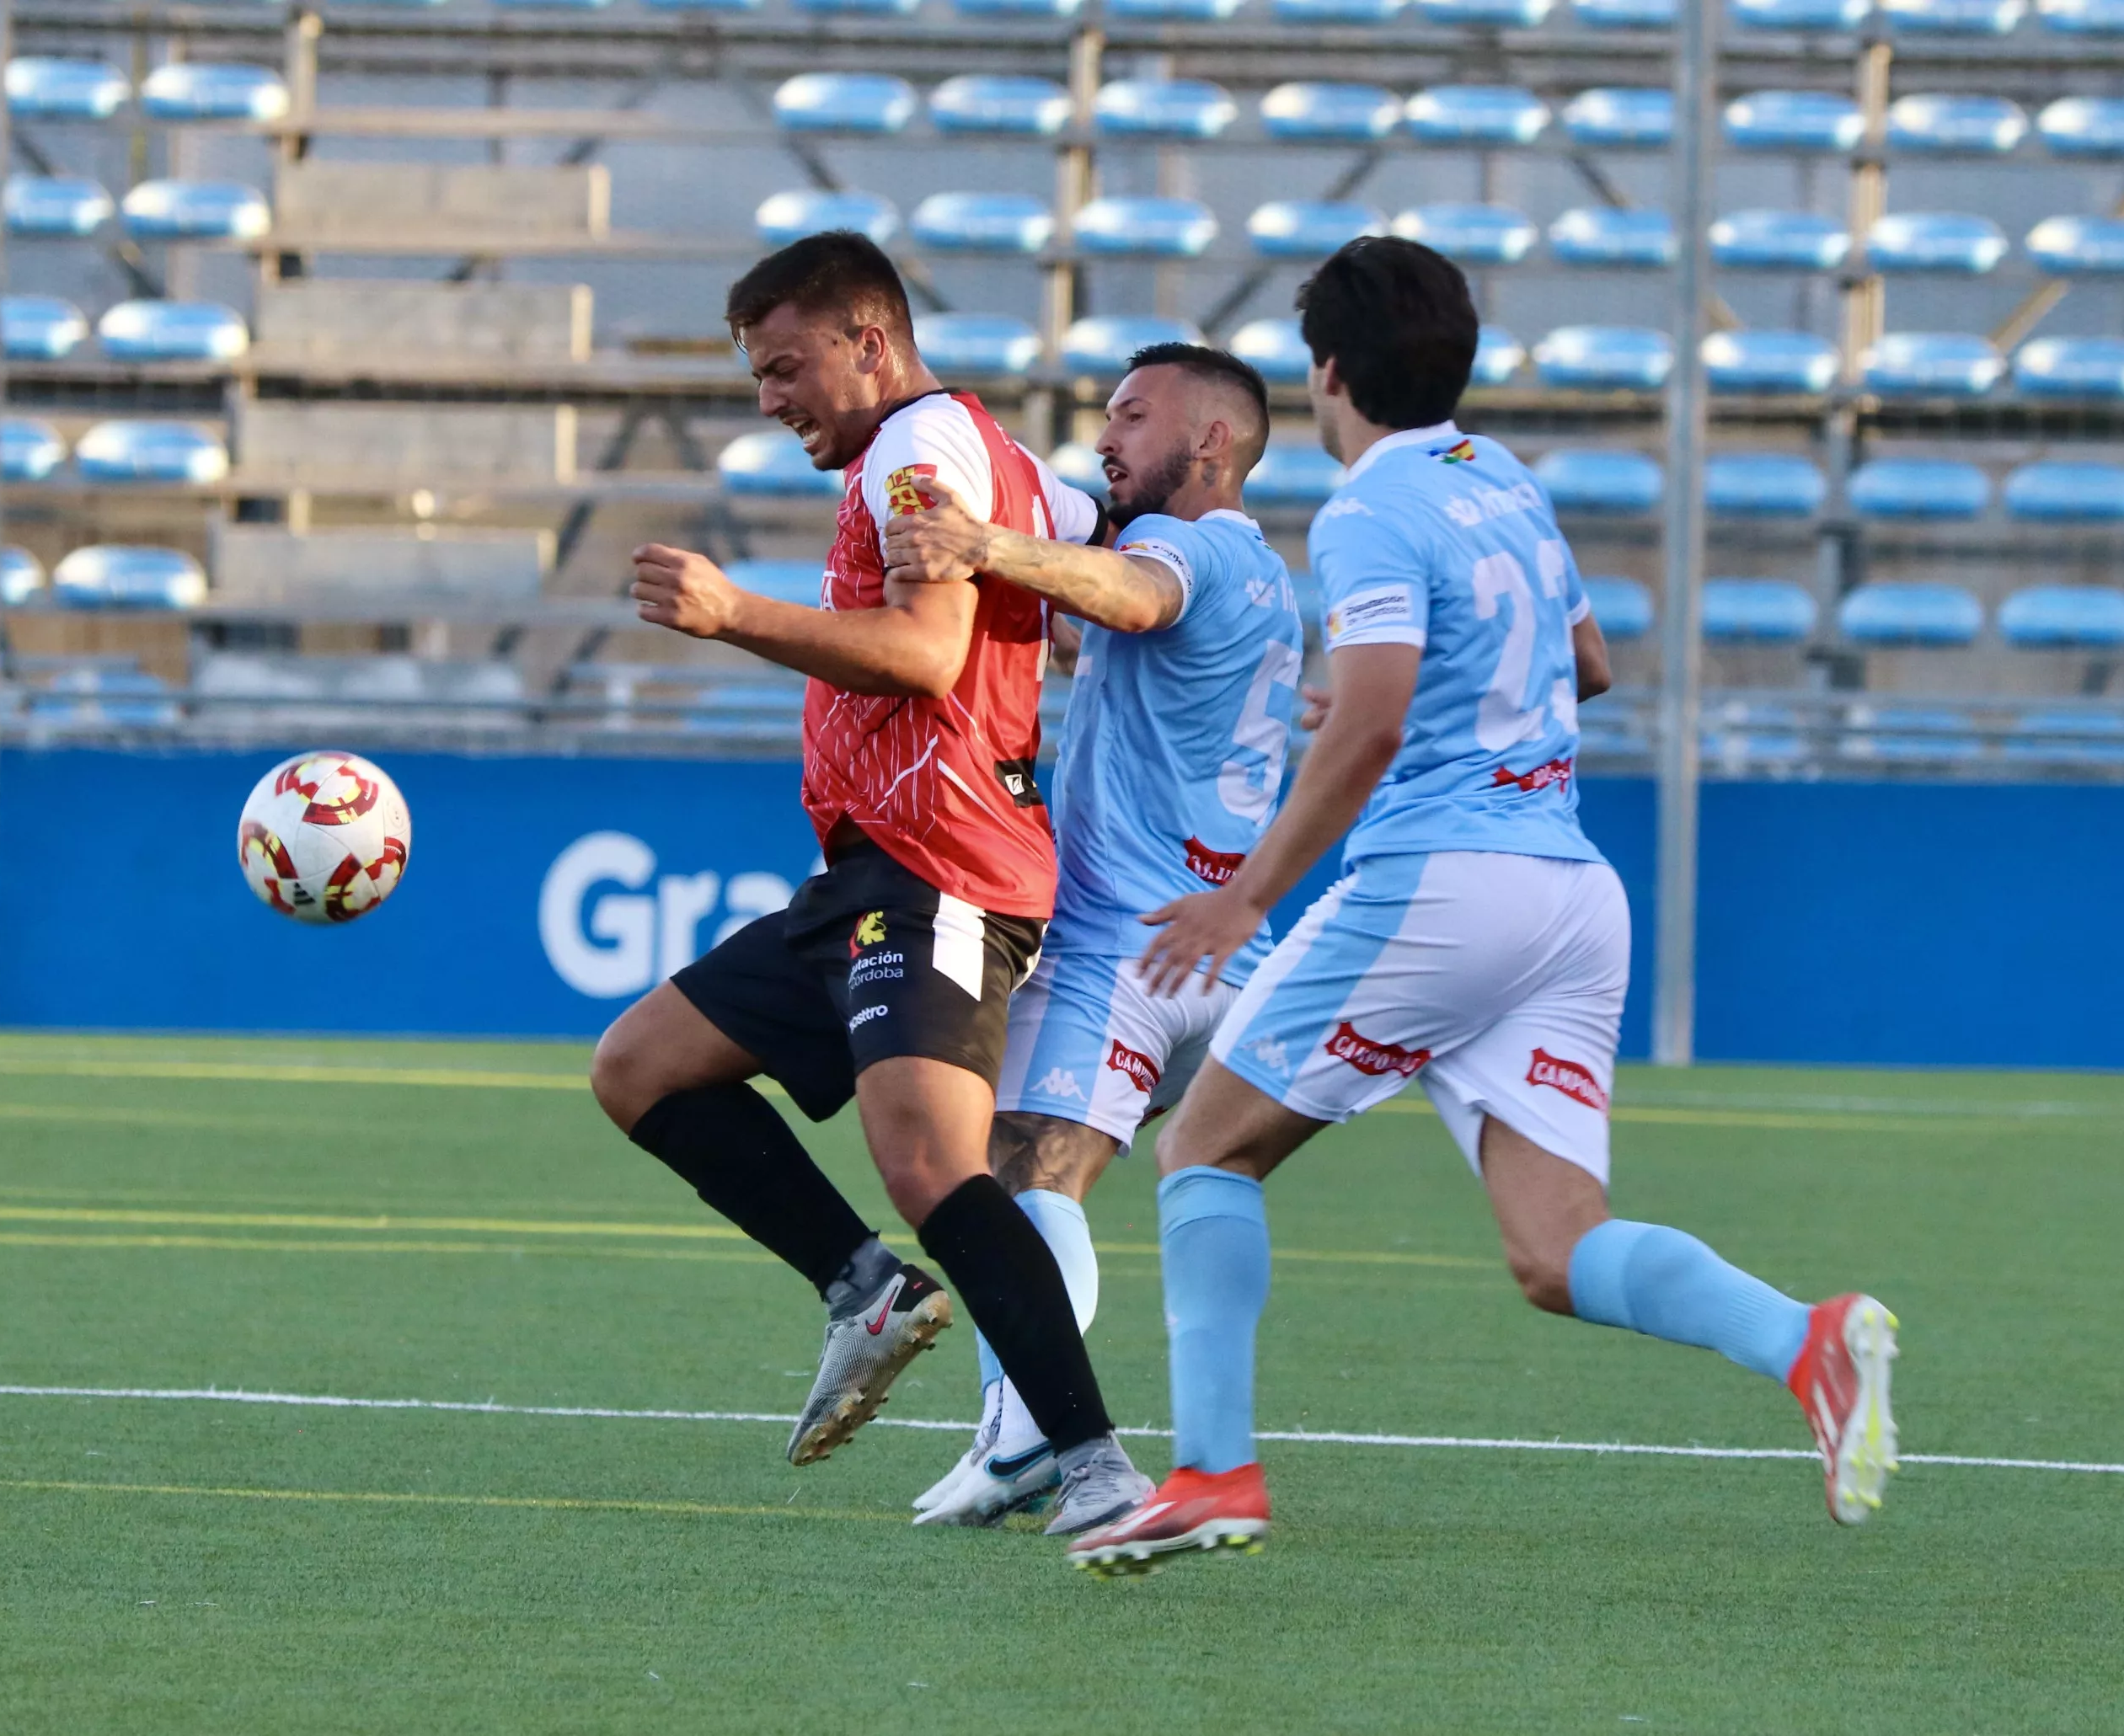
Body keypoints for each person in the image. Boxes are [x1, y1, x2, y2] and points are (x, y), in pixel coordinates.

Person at [1063, 238, 1901, 1576]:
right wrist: (1404, 696)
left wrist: (1244, 897)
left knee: (1204, 1150)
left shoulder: (1364, 511)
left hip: (1439, 886)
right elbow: (1585, 663)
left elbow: (1381, 719)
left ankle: (1215, 1475)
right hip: (1566, 893)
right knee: (1556, 1254)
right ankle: (1806, 1340)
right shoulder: (1498, 477)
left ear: (1326, 372)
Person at [586, 231, 1149, 1538]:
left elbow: (921, 653)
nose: (770, 399)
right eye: (755, 376)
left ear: (869, 342)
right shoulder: (983, 457)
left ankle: (1096, 1466)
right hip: (871, 870)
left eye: (786, 367)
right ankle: (864, 1293)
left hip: (946, 867)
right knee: (639, 1068)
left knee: (931, 1166)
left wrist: (735, 614)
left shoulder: (918, 447)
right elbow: (1091, 537)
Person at [880, 343, 1306, 1525]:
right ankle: (1036, 1433)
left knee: (1014, 1168)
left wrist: (984, 546)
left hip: (1127, 946)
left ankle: (1026, 1436)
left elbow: (1134, 593)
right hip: (1216, 961)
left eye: (1133, 414)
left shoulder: (1191, 546)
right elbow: (1111, 630)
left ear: (1211, 442)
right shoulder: (1262, 575)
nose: (1107, 434)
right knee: (1044, 1168)